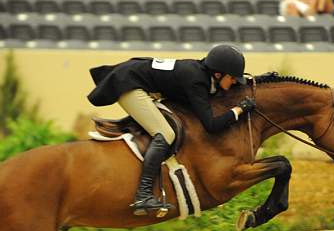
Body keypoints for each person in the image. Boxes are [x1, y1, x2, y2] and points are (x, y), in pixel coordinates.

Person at [87, 45, 256, 215]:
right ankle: (143, 195)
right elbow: (211, 125)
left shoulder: (203, 75)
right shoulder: (196, 80)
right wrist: (239, 110)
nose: (235, 82)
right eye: (233, 78)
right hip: (130, 85)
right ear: (218, 74)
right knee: (166, 133)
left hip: (140, 80)